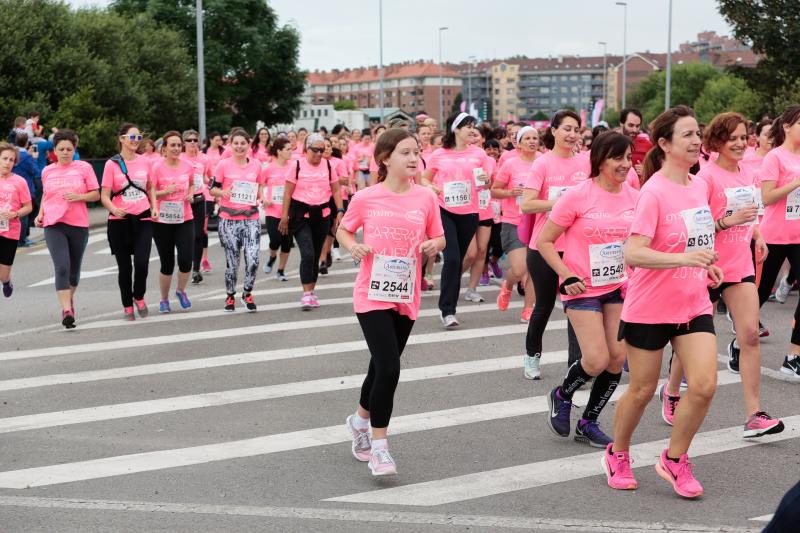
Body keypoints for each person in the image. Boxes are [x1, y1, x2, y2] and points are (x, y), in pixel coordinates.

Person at [606, 105, 722, 498]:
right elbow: (633, 253)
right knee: (640, 389)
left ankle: (675, 459)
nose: (696, 141)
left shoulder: (701, 185)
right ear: (664, 143)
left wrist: (707, 265)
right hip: (650, 306)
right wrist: (682, 259)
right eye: (688, 134)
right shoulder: (653, 191)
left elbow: (697, 240)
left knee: (704, 385)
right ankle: (617, 452)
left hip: (693, 301)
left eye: (697, 133)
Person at [337, 128, 445, 476]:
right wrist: (353, 246)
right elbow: (344, 229)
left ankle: (359, 419)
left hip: (405, 293)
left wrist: (435, 245)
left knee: (381, 365)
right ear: (385, 158)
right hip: (371, 293)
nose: (414, 159)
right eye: (405, 153)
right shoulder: (366, 197)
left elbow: (439, 235)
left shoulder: (425, 198)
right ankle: (380, 447)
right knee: (389, 368)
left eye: (416, 152)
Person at [538, 132, 638, 447]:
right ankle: (562, 394)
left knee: (617, 358)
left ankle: (588, 422)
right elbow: (544, 241)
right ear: (600, 159)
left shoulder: (635, 197)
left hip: (618, 286)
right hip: (582, 287)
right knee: (595, 360)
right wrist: (565, 274)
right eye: (617, 158)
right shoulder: (578, 196)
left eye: (628, 158)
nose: (625, 164)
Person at [686, 112, 782, 436]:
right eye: (733, 138)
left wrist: (758, 235)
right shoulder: (705, 178)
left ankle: (754, 413)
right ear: (716, 142)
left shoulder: (749, 174)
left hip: (739, 265)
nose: (741, 143)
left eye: (745, 137)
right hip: (706, 265)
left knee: (750, 335)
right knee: (690, 339)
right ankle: (671, 391)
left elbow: (752, 215)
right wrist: (727, 221)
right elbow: (695, 231)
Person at [520, 109, 588, 379]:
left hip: (576, 246)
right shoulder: (542, 163)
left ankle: (576, 363)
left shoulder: (586, 162)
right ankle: (532, 355)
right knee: (545, 305)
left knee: (577, 305)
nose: (572, 135)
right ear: (555, 131)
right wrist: (562, 204)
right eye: (567, 129)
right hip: (544, 246)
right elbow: (527, 203)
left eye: (576, 130)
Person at [421, 112, 493, 328]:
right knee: (452, 259)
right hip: (445, 210)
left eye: (474, 126)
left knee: (459, 259)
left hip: (470, 213)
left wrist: (486, 181)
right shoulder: (439, 154)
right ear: (456, 129)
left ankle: (449, 300)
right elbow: (424, 178)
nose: (473, 130)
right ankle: (448, 310)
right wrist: (432, 186)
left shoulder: (479, 154)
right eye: (468, 126)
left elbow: (486, 183)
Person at [35, 130, 100, 328]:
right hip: (54, 224)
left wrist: (79, 197)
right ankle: (66, 311)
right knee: (61, 267)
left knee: (74, 271)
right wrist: (40, 213)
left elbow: (96, 195)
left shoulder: (84, 168)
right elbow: (47, 195)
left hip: (78, 224)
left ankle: (68, 300)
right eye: (61, 149)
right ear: (54, 150)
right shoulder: (47, 171)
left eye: (69, 149)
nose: (65, 152)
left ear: (74, 150)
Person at [755, 104, 800, 379]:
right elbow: (767, 197)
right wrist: (795, 183)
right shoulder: (775, 157)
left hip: (799, 236)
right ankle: (740, 342)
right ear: (786, 126)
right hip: (772, 235)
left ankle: (793, 354)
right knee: (757, 296)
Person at [278, 133, 344, 309]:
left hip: (322, 214)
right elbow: (287, 192)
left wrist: (340, 210)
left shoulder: (329, 165)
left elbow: (336, 190)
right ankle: (306, 294)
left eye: (322, 150)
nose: (319, 154)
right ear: (307, 149)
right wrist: (284, 216)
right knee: (307, 253)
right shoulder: (297, 165)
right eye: (316, 150)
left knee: (314, 255)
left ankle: (311, 291)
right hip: (301, 215)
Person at [101, 124, 156, 320]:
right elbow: (104, 195)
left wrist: (154, 206)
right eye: (131, 137)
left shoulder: (145, 162)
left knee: (142, 263)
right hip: (119, 220)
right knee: (125, 267)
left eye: (138, 136)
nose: (136, 140)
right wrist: (113, 209)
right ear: (121, 139)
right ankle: (127, 304)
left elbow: (150, 187)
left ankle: (139, 295)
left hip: (143, 217)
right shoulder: (111, 164)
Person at [210, 129, 264, 312]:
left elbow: (260, 186)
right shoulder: (223, 165)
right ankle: (230, 295)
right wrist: (223, 192)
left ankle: (247, 292)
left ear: (249, 145)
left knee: (253, 258)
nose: (240, 146)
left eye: (243, 143)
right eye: (236, 143)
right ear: (231, 145)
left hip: (251, 219)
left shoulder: (256, 165)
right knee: (232, 263)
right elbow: (212, 189)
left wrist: (261, 197)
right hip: (229, 219)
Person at [492, 126, 539, 324]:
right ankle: (509, 283)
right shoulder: (510, 164)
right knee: (520, 269)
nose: (532, 141)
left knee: (534, 269)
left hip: (538, 222)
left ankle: (528, 308)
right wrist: (511, 193)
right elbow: (495, 190)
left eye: (535, 138)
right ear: (518, 143)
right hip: (513, 221)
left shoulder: (543, 162)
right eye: (527, 138)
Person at [151, 131, 195, 313]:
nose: (176, 148)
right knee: (167, 263)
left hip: (184, 217)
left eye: (179, 145)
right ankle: (163, 299)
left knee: (186, 260)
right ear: (165, 149)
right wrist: (165, 192)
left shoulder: (187, 166)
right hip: (162, 220)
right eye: (173, 145)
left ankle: (181, 291)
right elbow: (150, 192)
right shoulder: (156, 168)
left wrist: (191, 194)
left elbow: (192, 184)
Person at [0, 143, 33, 297]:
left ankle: (6, 281)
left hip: (10, 231)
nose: (8, 162)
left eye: (11, 160)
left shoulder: (19, 181)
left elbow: (28, 207)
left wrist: (15, 214)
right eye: (5, 158)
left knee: (3, 274)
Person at [178, 130, 209, 285]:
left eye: (195, 140)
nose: (192, 143)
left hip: (199, 199)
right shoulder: (179, 158)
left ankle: (196, 269)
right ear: (184, 143)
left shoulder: (204, 159)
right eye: (189, 140)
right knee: (186, 236)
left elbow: (207, 178)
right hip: (182, 202)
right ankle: (185, 265)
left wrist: (214, 187)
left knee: (198, 235)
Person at [262, 137, 293, 281]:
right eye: (288, 149)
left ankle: (281, 271)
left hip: (289, 212)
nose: (291, 152)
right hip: (272, 211)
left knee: (286, 243)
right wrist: (263, 198)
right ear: (279, 151)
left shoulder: (293, 167)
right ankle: (272, 256)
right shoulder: (268, 168)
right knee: (275, 240)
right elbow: (260, 185)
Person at [11, 132, 39, 247]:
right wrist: (34, 158)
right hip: (25, 188)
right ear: (27, 143)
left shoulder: (11, 154)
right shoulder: (27, 157)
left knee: (13, 214)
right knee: (25, 215)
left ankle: (15, 238)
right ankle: (22, 239)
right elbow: (36, 172)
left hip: (10, 187)